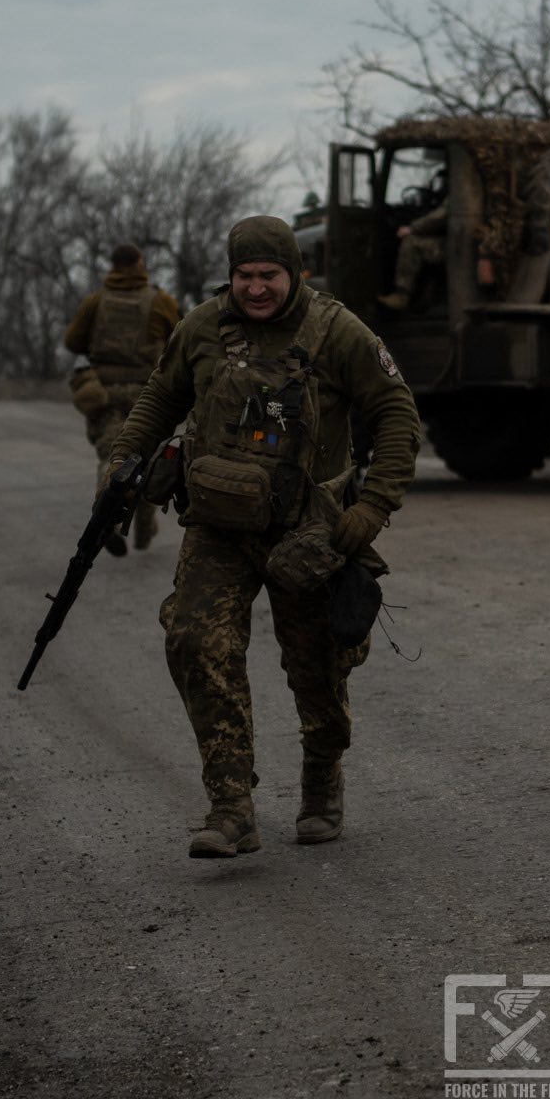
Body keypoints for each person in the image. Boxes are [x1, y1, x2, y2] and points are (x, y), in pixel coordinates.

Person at [103, 215, 421, 859]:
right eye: (244, 276)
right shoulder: (201, 327)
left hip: (309, 533)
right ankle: (231, 805)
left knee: (318, 669)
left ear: (294, 273)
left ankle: (321, 781)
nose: (254, 288)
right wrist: (122, 460)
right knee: (195, 640)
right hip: (219, 527)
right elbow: (159, 399)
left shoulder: (338, 332)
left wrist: (371, 511)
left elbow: (396, 413)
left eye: (268, 275)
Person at [64, 244, 181, 555]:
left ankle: (109, 521)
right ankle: (145, 525)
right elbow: (181, 335)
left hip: (107, 392)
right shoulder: (160, 301)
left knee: (113, 454)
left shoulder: (95, 302)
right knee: (148, 458)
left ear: (113, 267)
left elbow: (73, 340)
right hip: (150, 393)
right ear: (140, 264)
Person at [376, 167, 449, 311]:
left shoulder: (459, 193)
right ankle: (422, 298)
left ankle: (402, 295)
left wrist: (413, 228)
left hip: (451, 247)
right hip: (450, 242)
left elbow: (441, 216)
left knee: (411, 243)